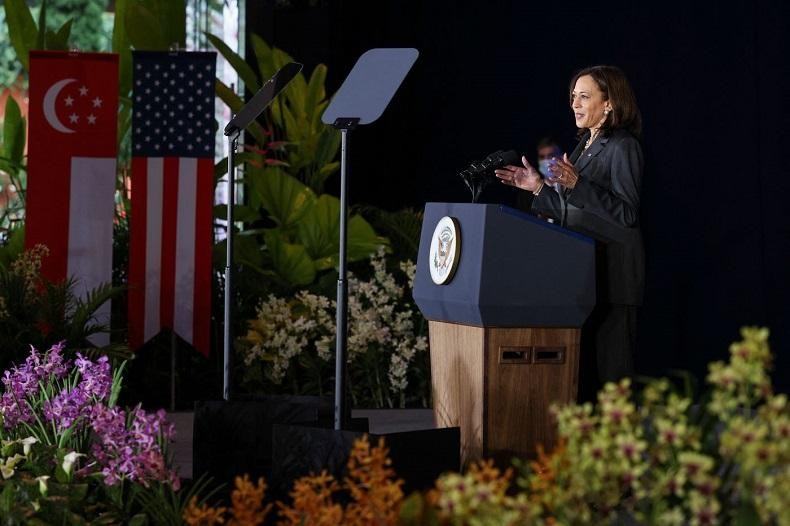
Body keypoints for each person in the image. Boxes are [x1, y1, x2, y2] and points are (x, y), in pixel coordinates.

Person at [494, 65, 644, 393]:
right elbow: (570, 213)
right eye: (573, 97)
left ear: (609, 103)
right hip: (584, 277)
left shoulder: (622, 146)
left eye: (584, 97)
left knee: (613, 380)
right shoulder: (582, 146)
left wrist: (578, 184)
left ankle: (619, 443)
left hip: (614, 279)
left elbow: (628, 214)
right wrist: (537, 189)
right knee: (587, 382)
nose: (575, 104)